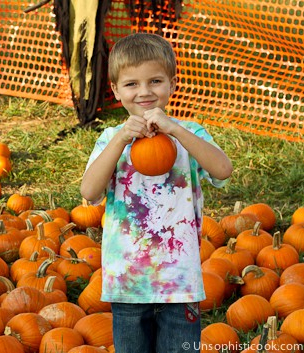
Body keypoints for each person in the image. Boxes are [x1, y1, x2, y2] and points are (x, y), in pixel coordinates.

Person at [80, 33, 233, 353]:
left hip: (180, 283)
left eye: (155, 81)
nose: (145, 91)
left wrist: (175, 129)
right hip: (128, 283)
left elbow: (223, 170)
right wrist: (121, 139)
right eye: (132, 84)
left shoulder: (189, 134)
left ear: (172, 84)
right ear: (115, 90)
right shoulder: (112, 138)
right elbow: (89, 191)